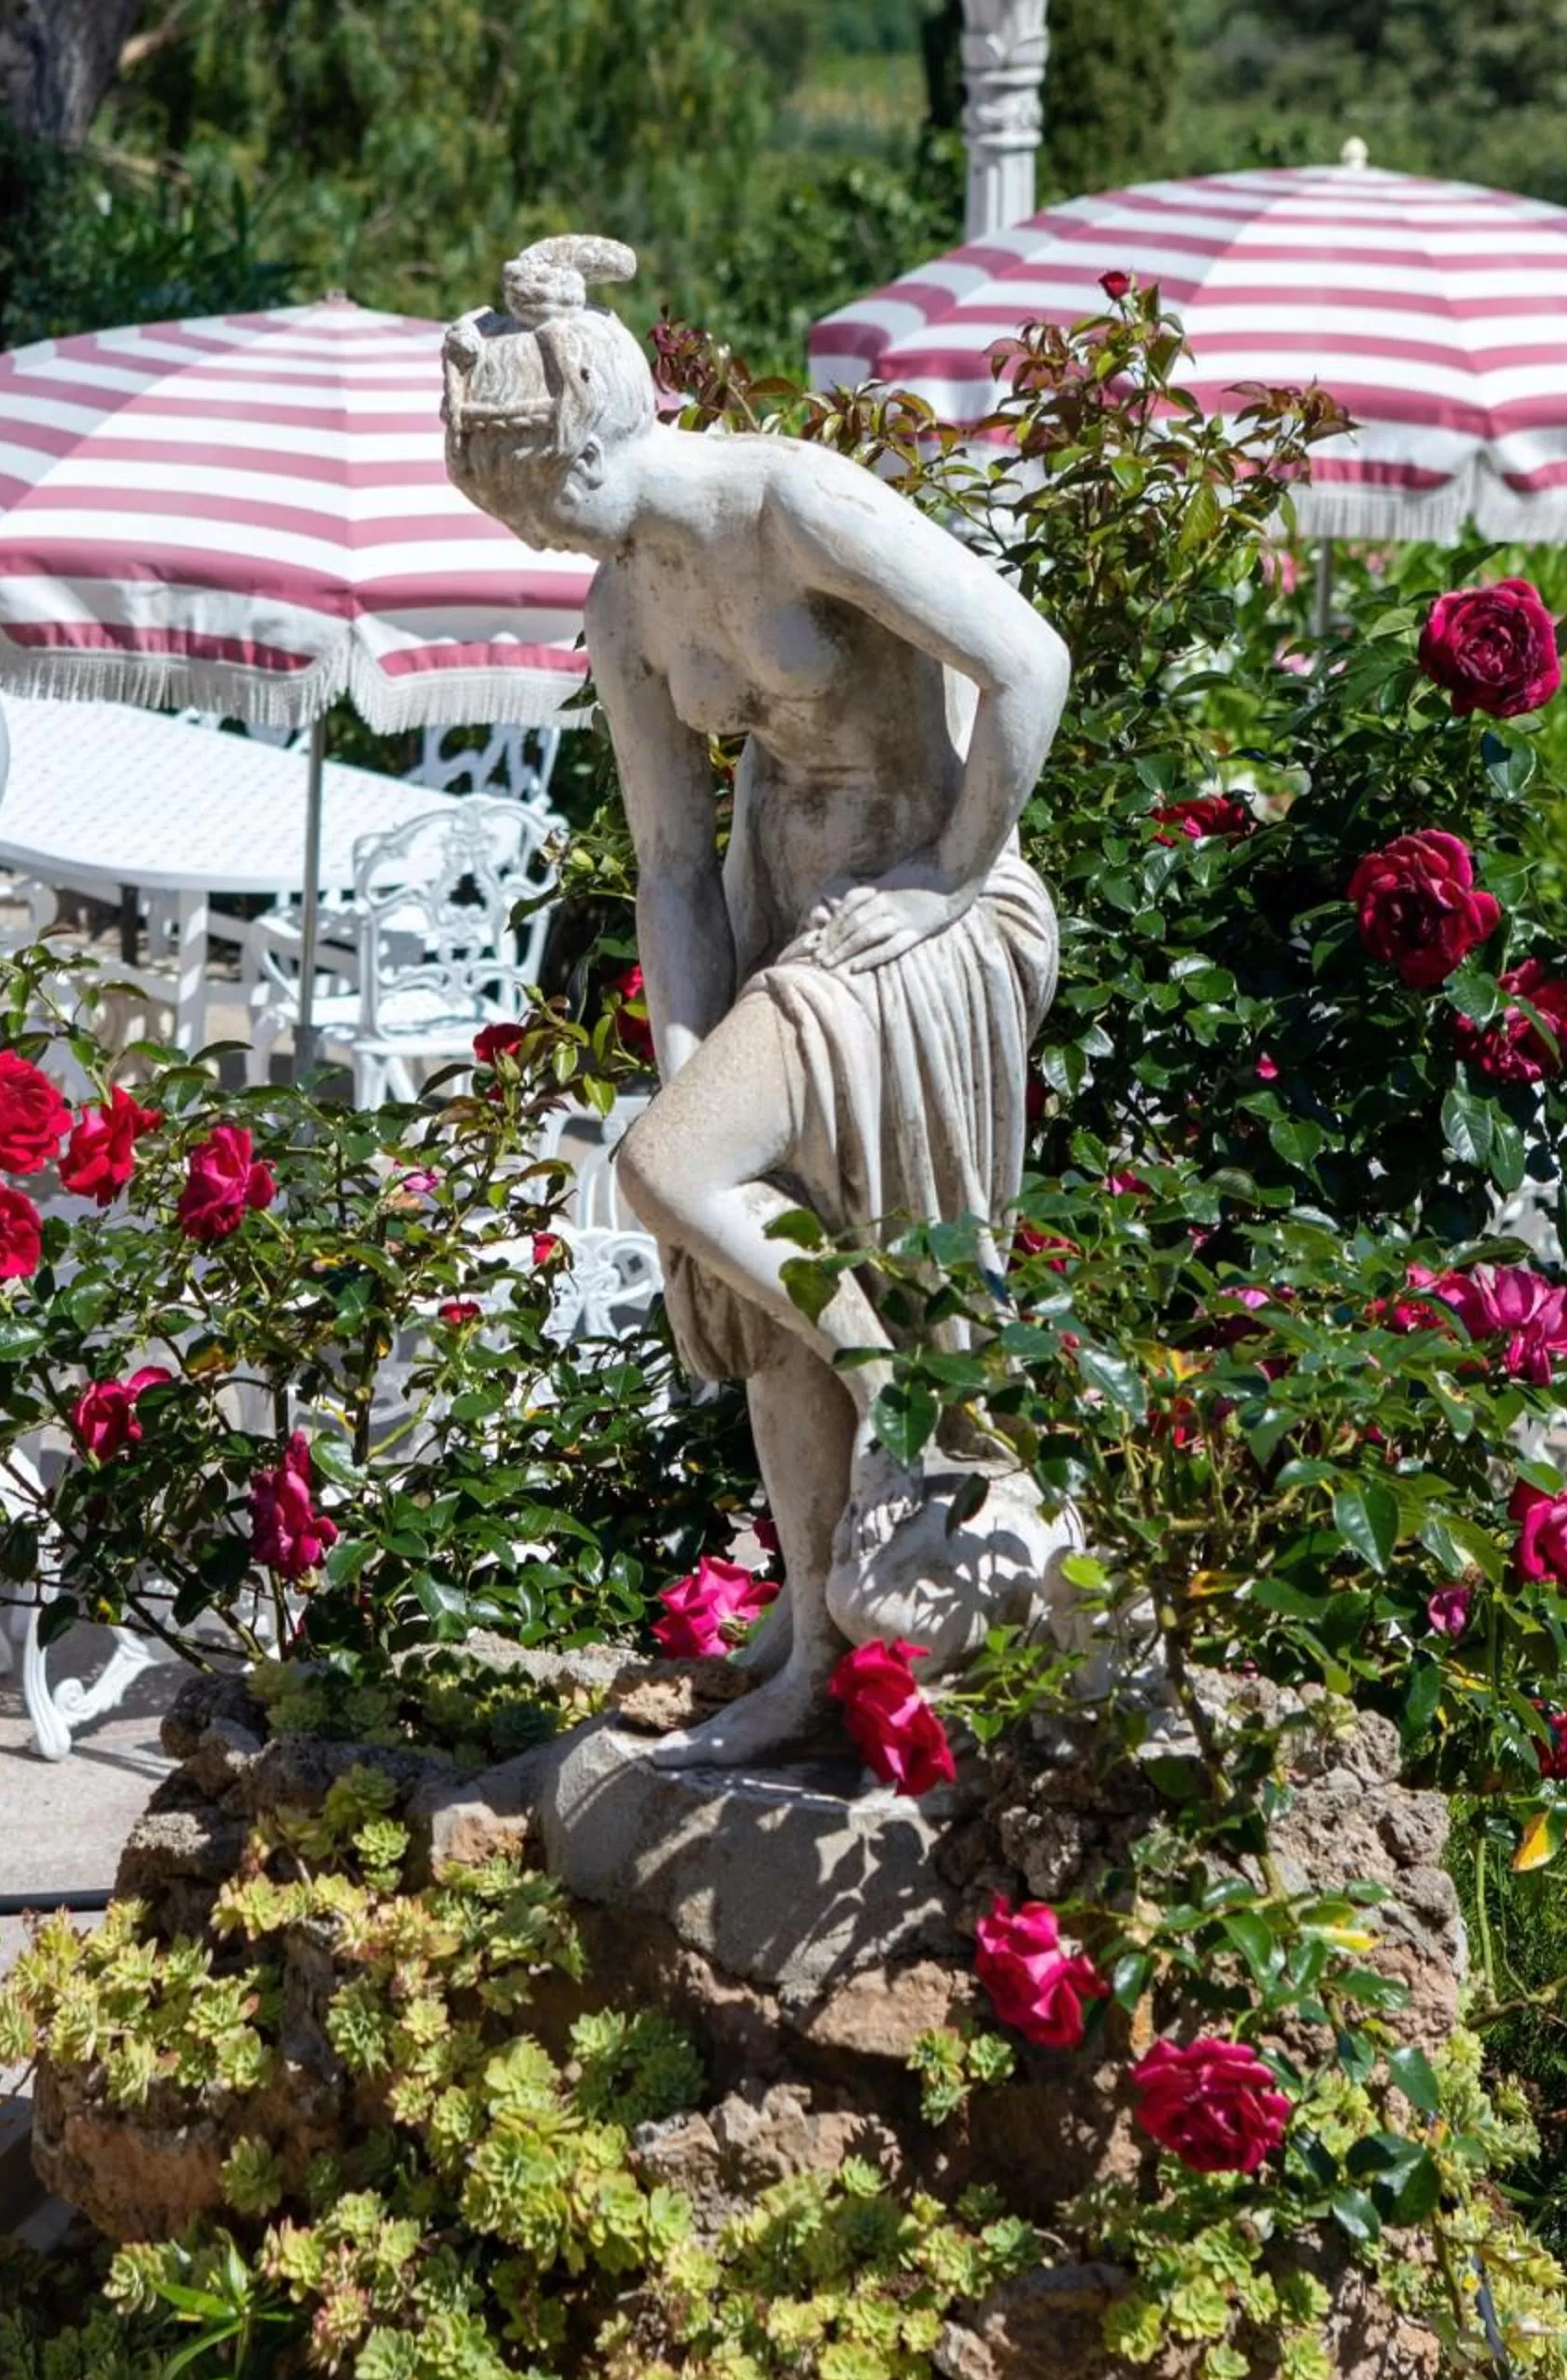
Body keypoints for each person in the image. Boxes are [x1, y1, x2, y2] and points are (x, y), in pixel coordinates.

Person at [444, 234, 1072, 1766]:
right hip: (776, 921)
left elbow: (1028, 660)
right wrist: (680, 1049)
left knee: (674, 1179)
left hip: (922, 920)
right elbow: (666, 864)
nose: (530, 531)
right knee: (755, 1271)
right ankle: (810, 1644)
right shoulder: (621, 608)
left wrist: (948, 875)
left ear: (588, 428)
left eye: (534, 493)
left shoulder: (792, 502)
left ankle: (908, 1413)